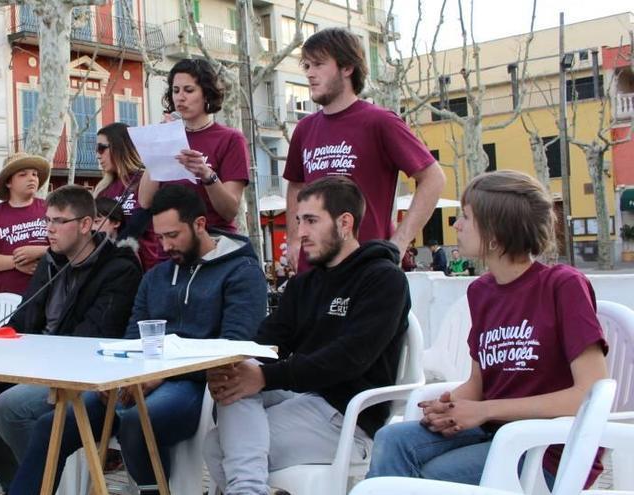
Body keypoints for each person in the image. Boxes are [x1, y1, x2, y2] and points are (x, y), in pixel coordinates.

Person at [10, 184, 267, 494]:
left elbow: (233, 348)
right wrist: (121, 376)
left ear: (199, 224)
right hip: (140, 380)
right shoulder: (156, 276)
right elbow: (133, 337)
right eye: (159, 237)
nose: (164, 246)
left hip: (197, 385)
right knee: (52, 426)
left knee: (136, 422)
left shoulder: (241, 271)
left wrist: (159, 374)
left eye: (173, 236)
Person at [366, 170, 609, 488]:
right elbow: (479, 384)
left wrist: (483, 411)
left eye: (466, 216)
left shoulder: (562, 286)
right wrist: (448, 404)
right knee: (392, 439)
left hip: (548, 448)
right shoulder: (481, 292)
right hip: (495, 431)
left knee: (434, 476)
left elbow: (588, 395)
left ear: (496, 233)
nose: (457, 226)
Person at [202, 176, 411, 495]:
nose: (299, 232)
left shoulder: (383, 279)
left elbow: (350, 358)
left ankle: (247, 489)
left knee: (219, 447)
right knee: (234, 384)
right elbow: (267, 342)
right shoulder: (304, 284)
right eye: (299, 221)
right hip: (301, 396)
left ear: (344, 222)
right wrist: (233, 366)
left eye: (311, 221)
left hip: (346, 415)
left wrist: (265, 377)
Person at [0, 186, 141, 491]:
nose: (49, 230)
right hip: (33, 366)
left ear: (85, 224)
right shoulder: (52, 261)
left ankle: (42, 486)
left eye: (58, 221)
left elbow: (91, 338)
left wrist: (28, 362)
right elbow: (22, 320)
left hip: (79, 374)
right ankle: (25, 482)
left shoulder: (119, 268)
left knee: (6, 408)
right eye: (47, 221)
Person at [282, 28, 445, 273]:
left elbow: (433, 178)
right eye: (307, 66)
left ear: (347, 68)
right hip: (312, 273)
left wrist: (399, 243)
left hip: (365, 270)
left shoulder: (380, 122)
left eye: (318, 65)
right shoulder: (304, 129)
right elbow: (296, 185)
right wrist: (294, 239)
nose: (310, 74)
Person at [138, 59, 251, 234]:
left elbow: (230, 210)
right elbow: (145, 200)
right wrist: (160, 144)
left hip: (213, 242)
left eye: (189, 90)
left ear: (206, 94)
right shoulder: (167, 136)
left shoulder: (230, 139)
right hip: (169, 248)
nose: (180, 97)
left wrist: (207, 176)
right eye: (175, 91)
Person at [0, 152, 50, 295]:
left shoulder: (50, 209)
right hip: (4, 300)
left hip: (45, 297)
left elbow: (67, 247)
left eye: (34, 174)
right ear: (9, 182)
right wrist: (16, 262)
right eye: (23, 174)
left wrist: (39, 251)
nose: (32, 178)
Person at [93, 122, 161, 269]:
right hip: (111, 268)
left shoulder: (145, 180)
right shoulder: (102, 189)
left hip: (148, 265)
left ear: (120, 147)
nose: (97, 155)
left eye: (101, 148)